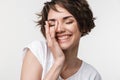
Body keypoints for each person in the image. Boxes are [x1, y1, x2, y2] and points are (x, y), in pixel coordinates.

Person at [20, 0, 102, 80]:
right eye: (52, 24)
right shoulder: (38, 51)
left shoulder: (91, 75)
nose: (59, 29)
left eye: (68, 22)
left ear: (83, 26)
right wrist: (58, 62)